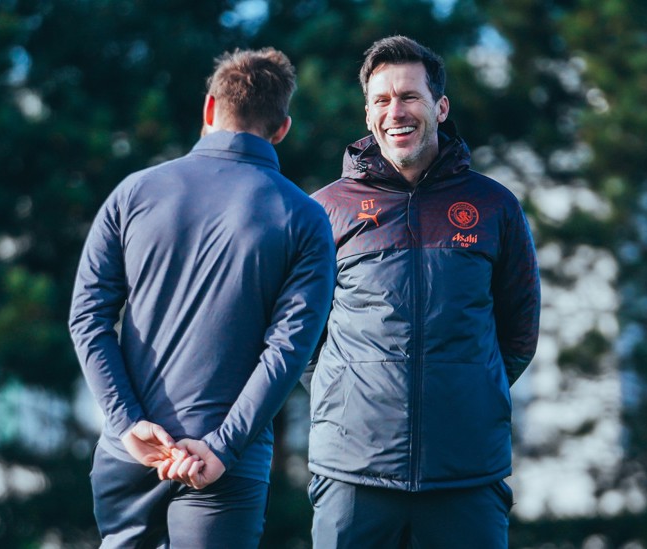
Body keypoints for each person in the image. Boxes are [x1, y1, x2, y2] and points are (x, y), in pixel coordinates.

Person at [68, 47, 336, 548]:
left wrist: (127, 424)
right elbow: (289, 350)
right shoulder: (304, 218)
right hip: (224, 467)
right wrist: (222, 446)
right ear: (282, 128)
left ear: (209, 110)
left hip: (130, 456)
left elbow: (88, 319)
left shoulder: (133, 193)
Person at [305, 35, 541, 548]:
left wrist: (469, 389)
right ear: (367, 115)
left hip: (467, 475)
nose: (397, 111)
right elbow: (300, 335)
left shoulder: (495, 206)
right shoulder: (322, 211)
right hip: (352, 473)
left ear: (440, 105)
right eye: (382, 100)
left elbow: (519, 334)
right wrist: (343, 394)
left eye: (410, 96)